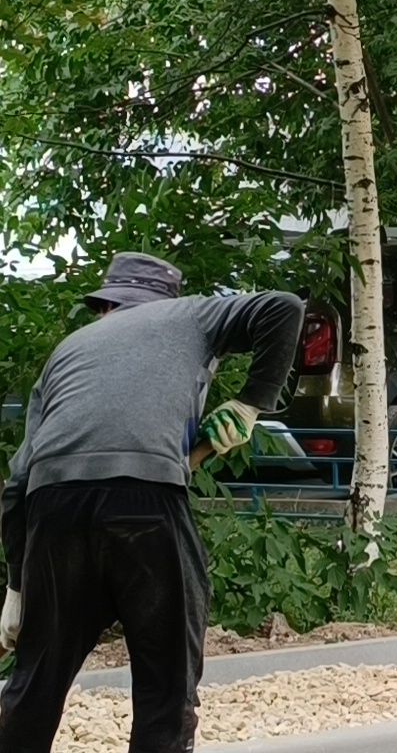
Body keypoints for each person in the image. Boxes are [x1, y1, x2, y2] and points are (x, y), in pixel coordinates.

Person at [0, 252, 304, 752]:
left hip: (53, 508)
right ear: (162, 298)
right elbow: (284, 308)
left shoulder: (67, 350)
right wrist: (251, 404)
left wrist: (18, 588)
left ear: (106, 306)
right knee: (166, 686)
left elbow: (17, 482)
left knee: (35, 685)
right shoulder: (189, 314)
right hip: (147, 500)